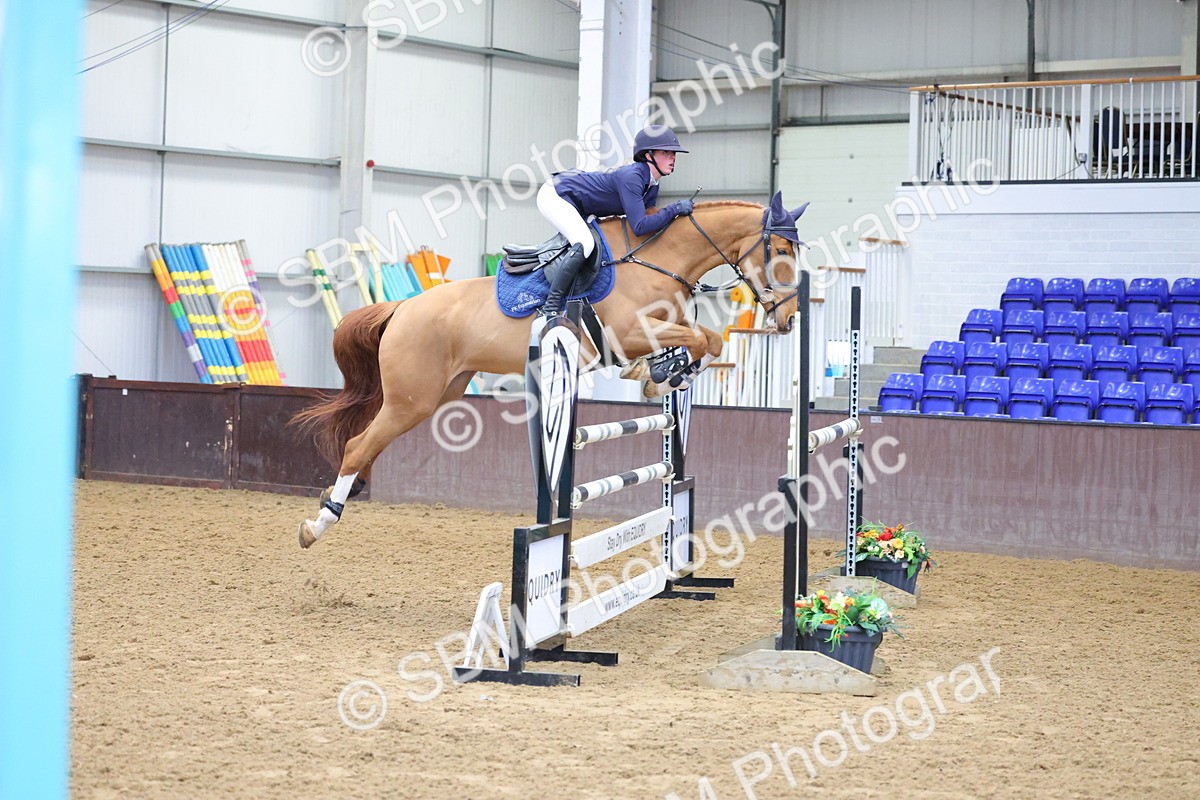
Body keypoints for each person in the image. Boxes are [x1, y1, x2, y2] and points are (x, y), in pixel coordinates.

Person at [536, 125, 693, 315]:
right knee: (585, 243)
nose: (673, 157)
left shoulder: (652, 184)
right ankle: (550, 306)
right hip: (556, 194)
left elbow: (651, 222)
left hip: (578, 203)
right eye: (666, 152)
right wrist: (674, 209)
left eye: (674, 153)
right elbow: (640, 226)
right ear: (648, 155)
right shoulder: (632, 177)